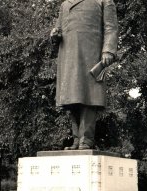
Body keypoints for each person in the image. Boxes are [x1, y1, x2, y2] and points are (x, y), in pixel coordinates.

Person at [50, 0, 118, 150]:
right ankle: (76, 139)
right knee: (71, 98)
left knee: (89, 96)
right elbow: (59, 29)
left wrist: (108, 49)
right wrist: (55, 35)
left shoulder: (104, 1)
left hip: (91, 54)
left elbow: (111, 27)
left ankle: (86, 140)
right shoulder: (65, 4)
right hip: (68, 55)